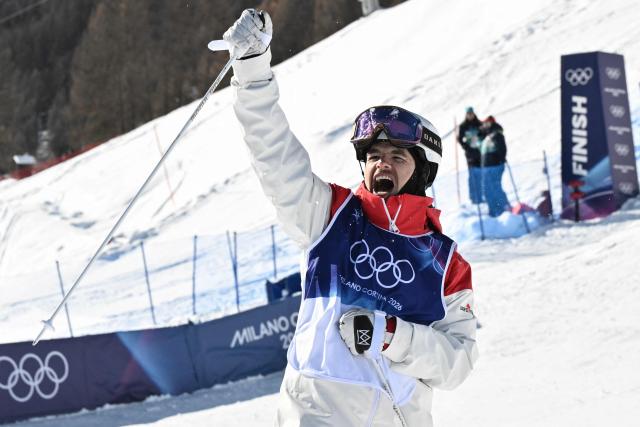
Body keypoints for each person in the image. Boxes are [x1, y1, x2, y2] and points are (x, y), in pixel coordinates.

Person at [223, 10, 478, 426]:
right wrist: (252, 72)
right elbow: (275, 156)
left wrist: (392, 335)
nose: (382, 165)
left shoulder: (446, 263)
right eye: (374, 156)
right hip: (313, 415)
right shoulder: (330, 215)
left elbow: (458, 361)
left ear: (424, 172)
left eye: (397, 157)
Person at [478, 116, 510, 217]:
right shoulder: (489, 135)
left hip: (494, 165)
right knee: (489, 189)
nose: (483, 125)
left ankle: (502, 208)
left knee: (494, 188)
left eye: (486, 123)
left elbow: (502, 148)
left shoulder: (496, 134)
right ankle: (495, 209)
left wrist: (500, 160)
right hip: (488, 166)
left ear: (490, 123)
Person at [457, 107, 483, 205]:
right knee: (472, 175)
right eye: (468, 113)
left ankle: (480, 196)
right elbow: (459, 138)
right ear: (466, 114)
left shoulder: (479, 124)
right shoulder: (463, 126)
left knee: (480, 174)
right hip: (470, 154)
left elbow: (484, 134)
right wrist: (466, 147)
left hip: (480, 152)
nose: (470, 115)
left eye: (471, 113)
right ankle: (473, 197)